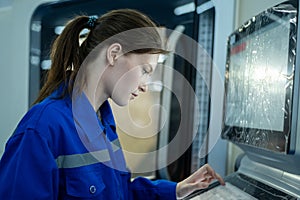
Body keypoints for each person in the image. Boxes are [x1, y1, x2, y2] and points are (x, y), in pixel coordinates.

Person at [0, 9, 224, 199]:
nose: (145, 85)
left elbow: (121, 191)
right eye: (145, 71)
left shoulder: (104, 123)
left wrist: (177, 189)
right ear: (115, 53)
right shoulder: (43, 128)